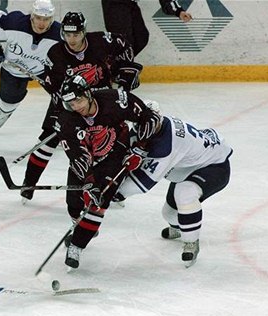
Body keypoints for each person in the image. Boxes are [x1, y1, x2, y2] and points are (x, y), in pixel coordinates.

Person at [20, 11, 143, 203]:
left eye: (76, 34)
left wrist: (125, 69)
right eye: (67, 35)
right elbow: (54, 87)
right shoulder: (56, 54)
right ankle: (29, 183)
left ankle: (110, 189)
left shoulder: (102, 41)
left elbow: (124, 44)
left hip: (101, 102)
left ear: (83, 32)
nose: (72, 39)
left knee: (111, 143)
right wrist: (58, 98)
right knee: (47, 139)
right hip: (69, 101)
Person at [55, 75, 161, 269]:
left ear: (88, 93)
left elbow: (150, 117)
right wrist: (89, 183)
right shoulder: (66, 121)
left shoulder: (116, 100)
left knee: (99, 201)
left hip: (114, 154)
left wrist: (139, 148)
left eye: (78, 100)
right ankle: (83, 226)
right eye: (70, 103)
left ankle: (77, 246)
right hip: (86, 161)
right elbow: (78, 158)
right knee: (74, 204)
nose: (76, 106)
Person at [116, 112, 233, 267]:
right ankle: (180, 227)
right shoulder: (150, 128)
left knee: (184, 194)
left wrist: (114, 194)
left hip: (215, 167)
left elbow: (142, 183)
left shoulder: (167, 144)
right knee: (169, 214)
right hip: (188, 168)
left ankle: (191, 243)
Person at [0, 0, 61, 131]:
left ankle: (56, 130)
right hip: (14, 69)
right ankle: (5, 112)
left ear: (52, 19)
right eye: (38, 18)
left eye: (46, 19)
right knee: (7, 103)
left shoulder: (60, 34)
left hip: (43, 70)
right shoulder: (14, 23)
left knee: (66, 95)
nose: (41, 23)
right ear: (32, 16)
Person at [101, 0, 193, 56]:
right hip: (115, 3)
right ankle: (108, 70)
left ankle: (115, 68)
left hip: (131, 4)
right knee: (124, 41)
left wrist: (178, 11)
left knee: (141, 38)